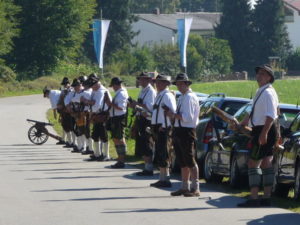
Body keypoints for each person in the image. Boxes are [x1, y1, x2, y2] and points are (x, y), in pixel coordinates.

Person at [236, 64, 279, 207]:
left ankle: (254, 198)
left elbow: (271, 115)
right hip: (261, 129)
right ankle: (266, 198)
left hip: (264, 129)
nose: (259, 75)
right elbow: (254, 110)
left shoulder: (268, 93)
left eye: (262, 74)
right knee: (266, 163)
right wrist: (245, 121)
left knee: (253, 163)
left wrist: (264, 133)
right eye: (258, 73)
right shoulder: (261, 91)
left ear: (269, 77)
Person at [166, 73, 200, 197]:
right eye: (178, 84)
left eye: (181, 83)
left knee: (190, 159)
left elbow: (188, 117)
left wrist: (173, 115)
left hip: (187, 130)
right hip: (180, 130)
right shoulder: (183, 97)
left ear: (187, 84)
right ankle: (184, 186)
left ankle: (195, 187)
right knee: (182, 160)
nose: (179, 86)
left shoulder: (190, 97)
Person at [150, 74, 176, 188]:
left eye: (161, 82)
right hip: (158, 127)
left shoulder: (167, 95)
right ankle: (162, 178)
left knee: (164, 153)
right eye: (157, 82)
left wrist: (166, 126)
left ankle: (166, 178)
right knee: (160, 153)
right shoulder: (160, 95)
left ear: (166, 84)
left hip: (164, 127)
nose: (158, 84)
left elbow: (172, 112)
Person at [129, 72, 156, 176]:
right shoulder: (142, 91)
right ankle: (146, 167)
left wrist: (136, 104)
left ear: (147, 80)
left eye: (143, 79)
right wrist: (134, 105)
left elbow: (149, 107)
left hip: (147, 119)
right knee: (142, 143)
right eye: (140, 79)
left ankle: (149, 168)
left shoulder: (150, 91)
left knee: (147, 143)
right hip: (141, 118)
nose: (140, 81)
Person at [82, 75, 111, 161]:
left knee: (103, 136)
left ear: (96, 84)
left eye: (92, 86)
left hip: (102, 115)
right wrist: (91, 103)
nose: (91, 88)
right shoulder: (96, 91)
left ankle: (106, 155)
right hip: (97, 115)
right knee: (95, 135)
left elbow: (96, 105)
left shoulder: (101, 91)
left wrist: (87, 101)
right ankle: (97, 154)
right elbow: (93, 104)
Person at [105, 77, 129, 168]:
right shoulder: (119, 93)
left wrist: (110, 103)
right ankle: (120, 158)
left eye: (113, 86)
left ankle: (121, 159)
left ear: (117, 85)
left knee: (119, 138)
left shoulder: (122, 94)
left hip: (119, 118)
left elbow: (121, 108)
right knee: (116, 138)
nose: (113, 88)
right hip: (115, 117)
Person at [69, 78, 86, 153]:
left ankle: (83, 147)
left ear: (80, 86)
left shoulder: (83, 93)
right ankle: (80, 146)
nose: (75, 88)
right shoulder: (75, 93)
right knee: (77, 130)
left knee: (82, 131)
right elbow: (72, 102)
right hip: (76, 114)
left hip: (82, 114)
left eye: (76, 86)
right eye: (74, 86)